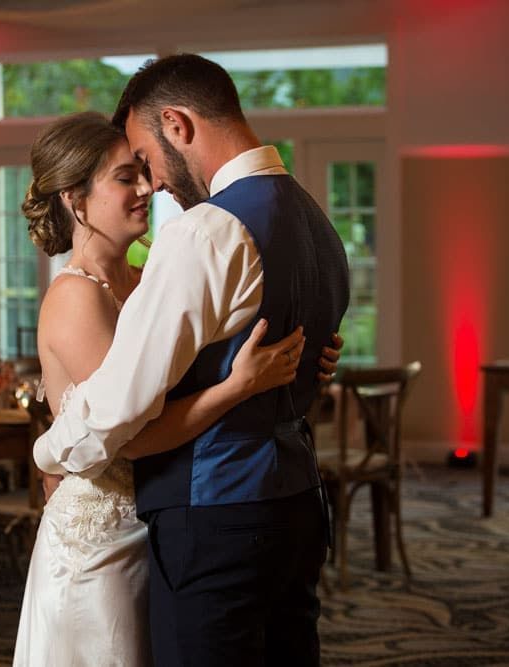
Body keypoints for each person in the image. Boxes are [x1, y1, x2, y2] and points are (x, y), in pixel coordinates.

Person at [33, 54, 350, 666]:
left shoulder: (206, 231)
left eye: (145, 162)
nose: (155, 186)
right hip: (298, 502)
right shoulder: (315, 217)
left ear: (178, 125)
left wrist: (48, 450)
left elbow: (113, 414)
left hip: (219, 513)